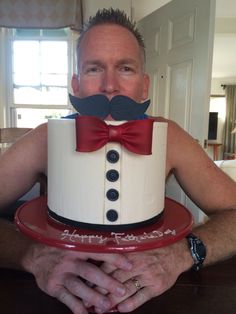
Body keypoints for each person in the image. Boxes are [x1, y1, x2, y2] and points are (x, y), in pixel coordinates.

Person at [1, 8, 236, 314]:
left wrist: (184, 254)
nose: (109, 85)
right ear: (76, 84)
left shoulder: (170, 137)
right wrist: (29, 256)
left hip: (154, 296)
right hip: (52, 297)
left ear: (144, 85)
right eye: (94, 69)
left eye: (125, 68)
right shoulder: (45, 138)